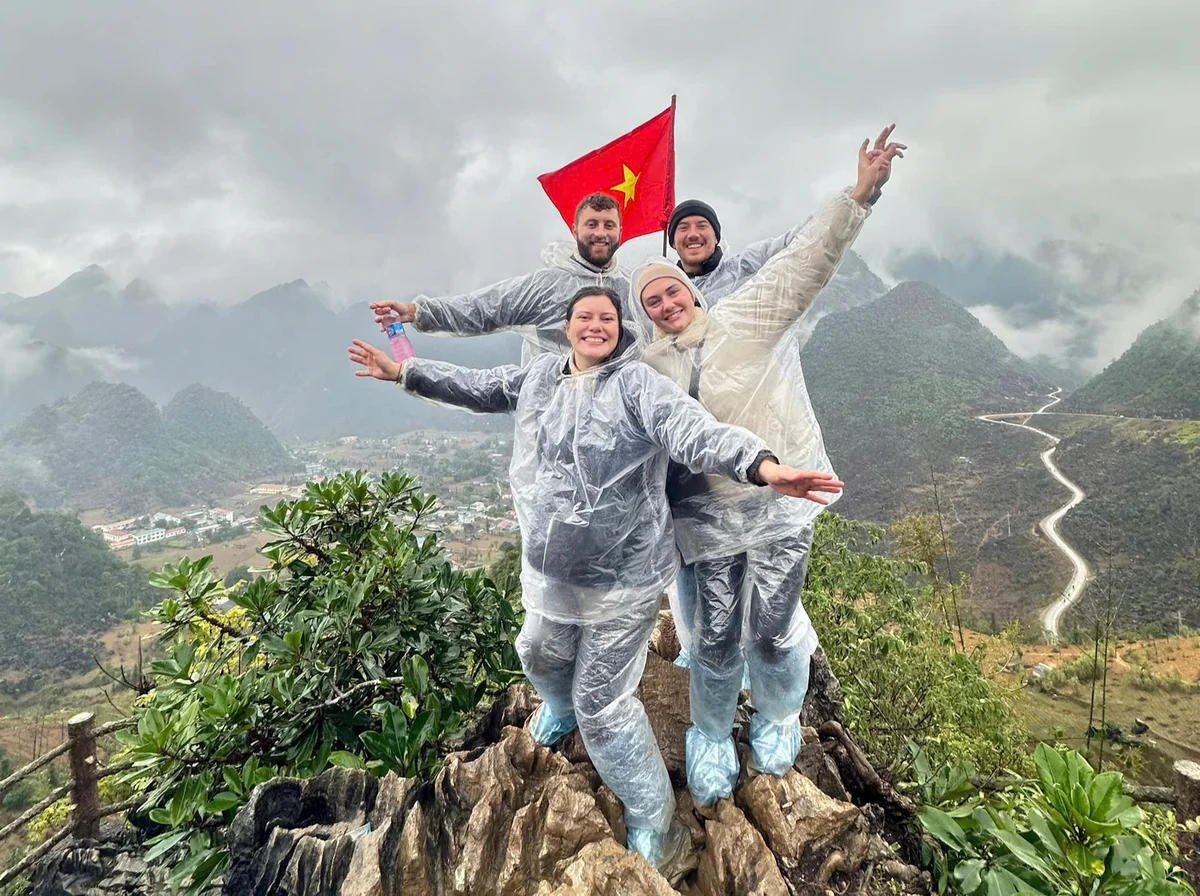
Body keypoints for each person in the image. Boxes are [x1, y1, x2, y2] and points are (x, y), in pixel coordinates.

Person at [348, 286, 842, 876]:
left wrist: (763, 466)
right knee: (536, 652)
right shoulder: (538, 380)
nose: (595, 326)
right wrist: (405, 372)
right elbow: (475, 388)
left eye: (606, 318)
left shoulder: (638, 387)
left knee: (601, 704)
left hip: (623, 584)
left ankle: (656, 823)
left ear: (619, 328)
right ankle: (558, 708)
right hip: (553, 577)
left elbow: (698, 432)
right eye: (585, 317)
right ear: (566, 325)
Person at [632, 131, 903, 806]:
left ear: (689, 293)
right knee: (715, 630)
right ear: (647, 314)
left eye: (672, 294)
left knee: (775, 622)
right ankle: (713, 733)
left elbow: (805, 260)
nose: (668, 304)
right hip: (709, 515)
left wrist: (860, 194)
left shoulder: (743, 317)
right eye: (653, 302)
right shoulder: (648, 366)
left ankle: (780, 715)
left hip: (783, 499)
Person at [368, 192, 639, 361]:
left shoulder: (633, 289)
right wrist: (419, 312)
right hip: (554, 424)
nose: (600, 233)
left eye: (609, 225)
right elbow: (484, 307)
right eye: (591, 224)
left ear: (620, 231)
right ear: (574, 230)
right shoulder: (546, 286)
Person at [668, 125, 904, 305]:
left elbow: (803, 239)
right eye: (683, 228)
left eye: (701, 225)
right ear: (672, 242)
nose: (693, 234)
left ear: (716, 236)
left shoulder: (748, 266)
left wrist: (863, 192)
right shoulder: (661, 294)